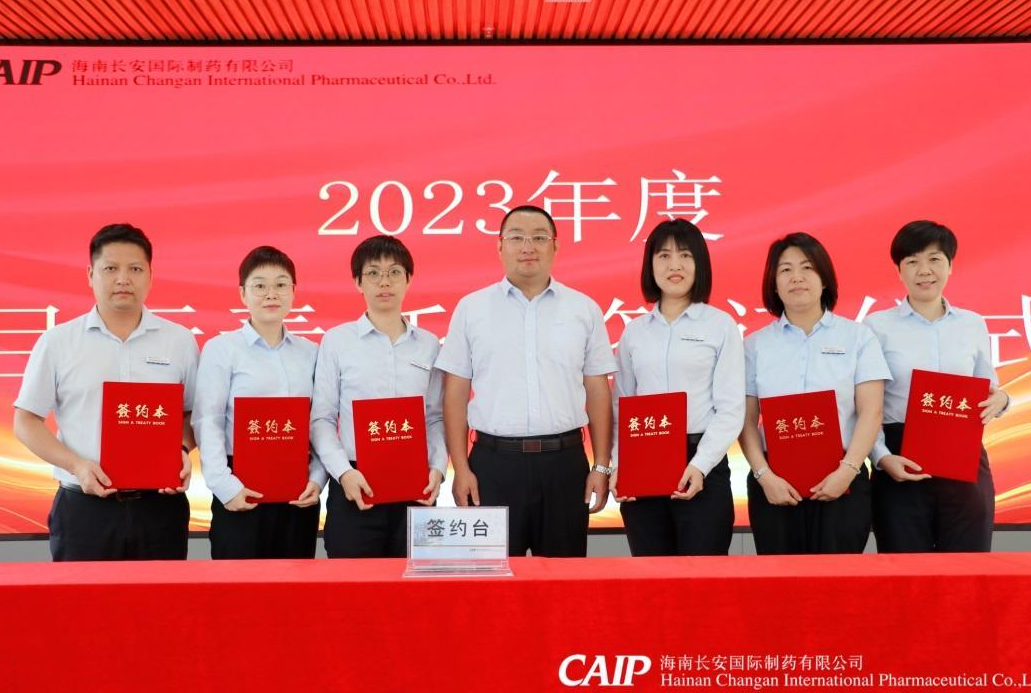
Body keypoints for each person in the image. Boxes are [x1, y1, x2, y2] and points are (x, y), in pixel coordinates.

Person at [436, 204, 615, 557]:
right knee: (493, 580)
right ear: (500, 246)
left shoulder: (584, 309)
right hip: (493, 466)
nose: (528, 247)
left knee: (563, 580)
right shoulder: (472, 309)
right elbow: (455, 395)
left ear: (555, 246)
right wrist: (461, 469)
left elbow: (597, 391)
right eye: (516, 237)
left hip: (565, 466)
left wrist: (601, 465)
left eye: (539, 238)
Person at [13, 223, 197, 561]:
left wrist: (182, 449)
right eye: (111, 268)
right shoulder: (58, 342)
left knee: (161, 597)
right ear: (90, 274)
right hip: (83, 510)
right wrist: (76, 465)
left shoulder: (180, 341)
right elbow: (25, 420)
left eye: (135, 269)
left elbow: (191, 413)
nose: (123, 279)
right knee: (80, 597)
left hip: (160, 508)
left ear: (151, 276)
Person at [739, 232, 891, 554]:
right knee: (780, 580)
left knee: (838, 581)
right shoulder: (754, 345)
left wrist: (847, 471)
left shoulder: (858, 337)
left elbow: (871, 412)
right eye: (785, 270)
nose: (797, 277)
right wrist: (764, 476)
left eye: (807, 267)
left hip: (843, 477)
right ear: (774, 284)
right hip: (774, 484)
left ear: (824, 279)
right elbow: (746, 420)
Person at [864, 220, 1008, 552]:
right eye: (912, 261)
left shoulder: (972, 323)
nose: (924, 270)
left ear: (950, 265)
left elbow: (988, 386)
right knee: (905, 570)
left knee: (967, 567)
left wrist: (1002, 399)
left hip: (962, 453)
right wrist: (882, 458)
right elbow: (866, 405)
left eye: (934, 259)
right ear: (899, 270)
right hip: (900, 458)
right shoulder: (876, 326)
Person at [609, 219, 744, 556]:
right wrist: (619, 466)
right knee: (651, 574)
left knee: (703, 576)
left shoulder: (720, 325)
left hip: (702, 461)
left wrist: (700, 465)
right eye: (664, 256)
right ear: (650, 265)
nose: (675, 265)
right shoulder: (635, 332)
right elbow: (621, 407)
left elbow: (730, 408)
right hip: (643, 462)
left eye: (685, 255)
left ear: (700, 264)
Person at [311, 235, 446, 558]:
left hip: (416, 485)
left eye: (394, 272)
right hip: (355, 482)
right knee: (354, 585)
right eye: (373, 273)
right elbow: (322, 419)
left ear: (409, 279)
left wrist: (438, 469)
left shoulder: (429, 344)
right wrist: (343, 472)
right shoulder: (337, 341)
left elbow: (434, 417)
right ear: (358, 282)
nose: (384, 282)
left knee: (413, 584)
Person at [192, 246, 324, 559]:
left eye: (281, 284)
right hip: (239, 488)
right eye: (260, 285)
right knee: (239, 586)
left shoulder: (311, 352)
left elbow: (320, 421)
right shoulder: (222, 349)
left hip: (297, 492)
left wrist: (317, 479)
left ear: (293, 292)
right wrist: (225, 487)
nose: (271, 294)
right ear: (243, 294)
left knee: (295, 584)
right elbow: (207, 420)